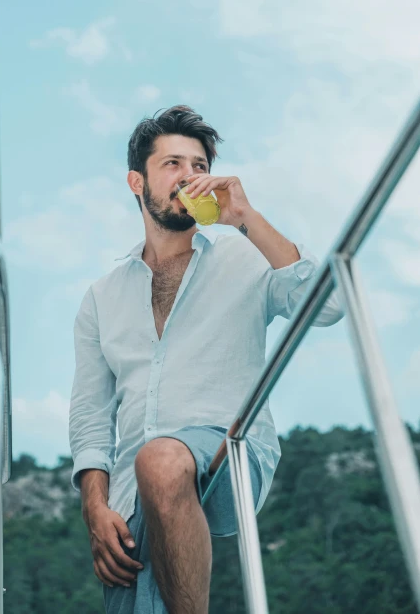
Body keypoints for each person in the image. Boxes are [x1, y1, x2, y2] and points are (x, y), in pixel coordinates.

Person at [69, 105, 344, 614]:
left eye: (199, 165)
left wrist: (247, 219)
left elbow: (328, 305)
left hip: (227, 457)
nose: (191, 176)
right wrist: (96, 507)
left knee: (162, 459)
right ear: (137, 181)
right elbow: (90, 417)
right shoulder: (101, 296)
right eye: (173, 163)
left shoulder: (244, 256)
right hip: (133, 496)